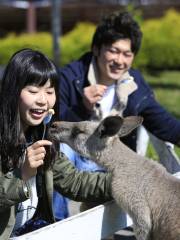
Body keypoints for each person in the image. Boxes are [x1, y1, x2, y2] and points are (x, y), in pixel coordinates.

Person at [59, 10, 180, 238]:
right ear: (97, 49)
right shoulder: (71, 77)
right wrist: (82, 107)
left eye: (127, 53)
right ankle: (55, 224)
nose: (120, 60)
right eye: (113, 51)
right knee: (59, 149)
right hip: (73, 165)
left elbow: (165, 124)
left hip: (113, 168)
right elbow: (52, 120)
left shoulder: (132, 86)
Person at [0, 48, 112, 239]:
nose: (43, 100)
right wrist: (22, 175)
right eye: (33, 91)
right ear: (12, 92)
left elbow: (75, 182)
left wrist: (126, 182)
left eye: (50, 91)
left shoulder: (40, 136)